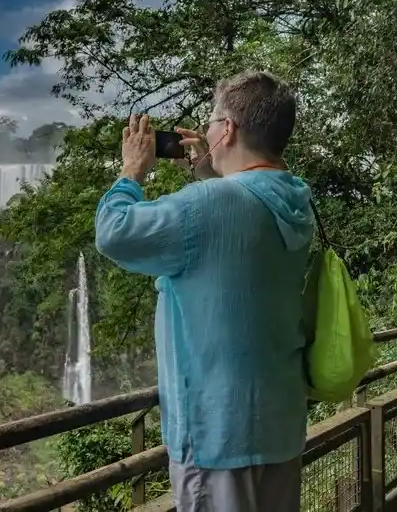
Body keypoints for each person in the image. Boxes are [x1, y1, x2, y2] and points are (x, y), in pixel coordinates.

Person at [94, 71, 314, 512]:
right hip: (279, 427)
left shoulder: (209, 205)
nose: (208, 130)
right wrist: (209, 170)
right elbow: (235, 225)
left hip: (218, 436)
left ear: (228, 129)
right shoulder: (295, 199)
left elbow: (114, 233)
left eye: (213, 122)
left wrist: (131, 173)